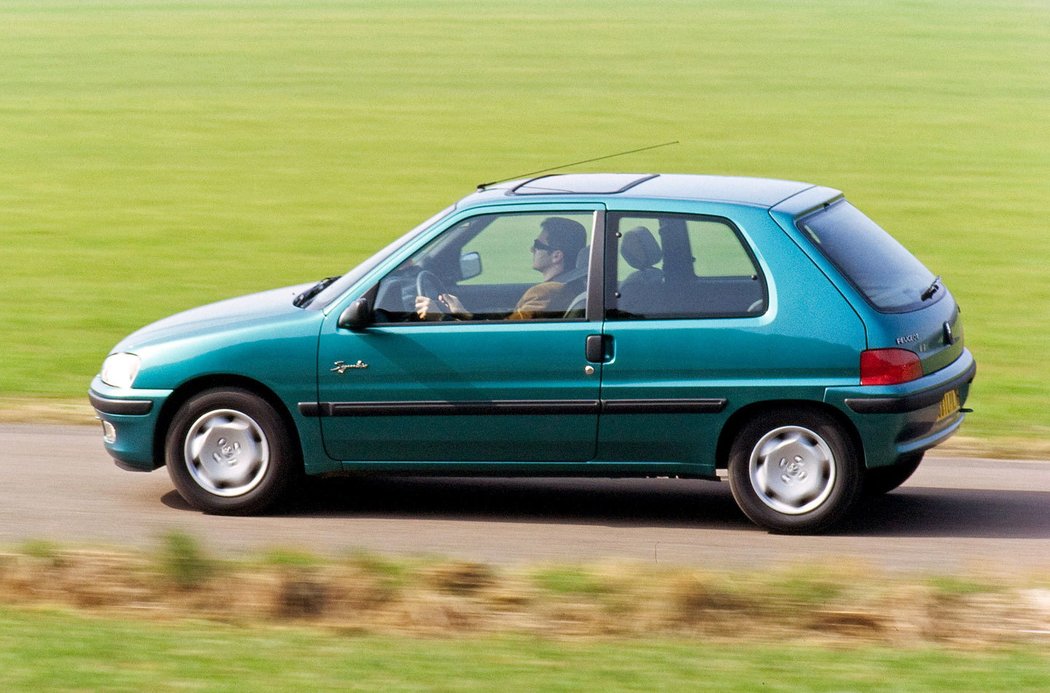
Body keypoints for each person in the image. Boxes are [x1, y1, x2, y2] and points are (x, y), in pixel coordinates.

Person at [415, 216, 587, 321]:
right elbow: (509, 324)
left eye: (537, 244)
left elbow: (504, 338)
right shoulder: (570, 286)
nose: (531, 249)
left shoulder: (546, 293)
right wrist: (463, 314)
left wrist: (440, 317)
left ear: (557, 256)